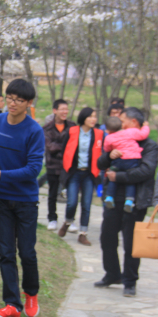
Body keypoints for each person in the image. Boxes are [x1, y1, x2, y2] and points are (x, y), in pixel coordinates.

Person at [0, 79, 44, 317]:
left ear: (29, 103)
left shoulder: (34, 131)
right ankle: (12, 304)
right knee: (6, 253)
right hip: (2, 198)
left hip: (26, 201)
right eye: (10, 98)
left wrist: (0, 174)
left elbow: (33, 170)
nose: (13, 104)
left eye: (19, 100)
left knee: (27, 252)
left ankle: (31, 293)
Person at [96, 107, 157, 297]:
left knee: (131, 243)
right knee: (107, 237)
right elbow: (100, 163)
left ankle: (130, 281)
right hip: (113, 199)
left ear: (134, 123)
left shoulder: (149, 146)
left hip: (135, 201)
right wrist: (109, 156)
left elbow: (146, 171)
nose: (119, 124)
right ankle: (112, 274)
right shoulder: (116, 138)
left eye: (122, 120)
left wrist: (118, 177)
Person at [57, 107, 103, 246]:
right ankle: (67, 222)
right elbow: (64, 150)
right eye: (90, 116)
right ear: (83, 118)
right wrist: (65, 169)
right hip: (74, 172)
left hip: (89, 173)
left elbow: (101, 152)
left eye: (95, 116)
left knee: (86, 204)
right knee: (72, 202)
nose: (93, 119)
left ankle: (83, 234)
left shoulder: (99, 134)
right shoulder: (72, 131)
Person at [103, 116, 150, 212]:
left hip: (118, 160)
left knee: (112, 177)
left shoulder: (108, 137)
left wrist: (111, 151)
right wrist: (146, 126)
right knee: (130, 180)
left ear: (107, 130)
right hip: (132, 160)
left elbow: (106, 148)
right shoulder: (130, 132)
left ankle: (109, 197)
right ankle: (129, 200)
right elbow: (143, 135)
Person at [43, 99, 76, 231]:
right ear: (55, 111)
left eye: (66, 109)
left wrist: (62, 148)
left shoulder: (72, 126)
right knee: (52, 193)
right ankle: (52, 219)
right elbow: (50, 147)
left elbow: (75, 145)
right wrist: (66, 147)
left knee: (71, 195)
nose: (65, 112)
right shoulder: (47, 128)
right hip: (53, 165)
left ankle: (70, 220)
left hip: (69, 165)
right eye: (62, 109)